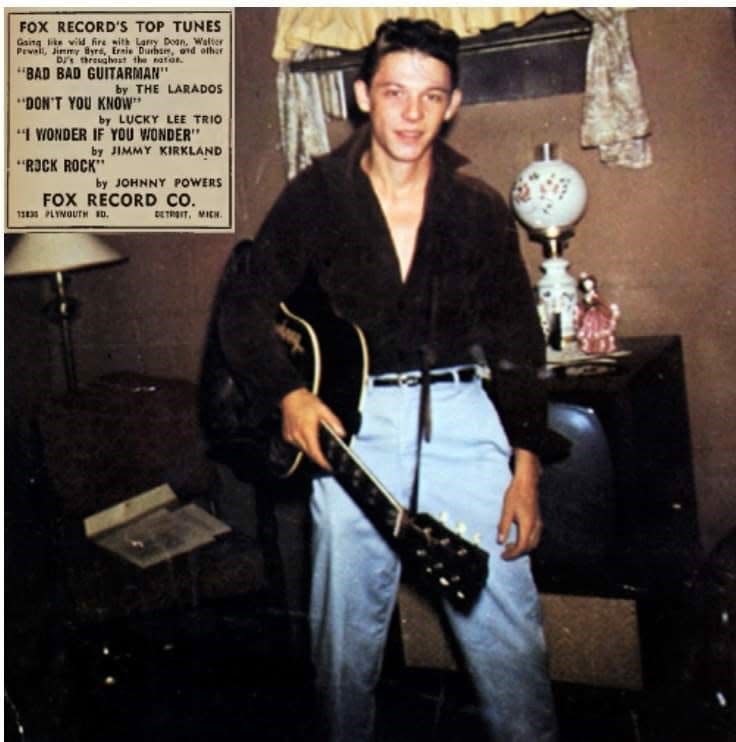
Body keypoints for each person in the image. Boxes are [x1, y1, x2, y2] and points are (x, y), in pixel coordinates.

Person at [218, 18, 557, 741]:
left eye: (430, 96)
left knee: (513, 644)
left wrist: (525, 468)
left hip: (464, 421)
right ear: (363, 94)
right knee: (343, 650)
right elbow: (243, 305)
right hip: (352, 428)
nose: (412, 113)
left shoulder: (479, 209)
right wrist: (290, 395)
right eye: (395, 92)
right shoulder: (315, 197)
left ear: (453, 104)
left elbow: (518, 344)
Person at [576, 272, 620, 353]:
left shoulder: (595, 295)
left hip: (597, 317)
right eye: (585, 284)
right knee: (588, 333)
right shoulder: (586, 296)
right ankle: (589, 348)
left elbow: (603, 303)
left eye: (589, 284)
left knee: (598, 332)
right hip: (588, 318)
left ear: (593, 284)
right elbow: (582, 305)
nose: (588, 286)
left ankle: (600, 347)